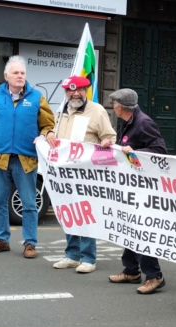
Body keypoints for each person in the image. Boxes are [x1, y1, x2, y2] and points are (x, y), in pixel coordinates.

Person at [0, 55, 55, 259]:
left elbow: (48, 124)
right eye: (16, 73)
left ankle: (30, 243)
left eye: (22, 73)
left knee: (29, 203)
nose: (20, 76)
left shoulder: (37, 97)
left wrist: (46, 134)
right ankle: (2, 240)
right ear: (6, 76)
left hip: (26, 158)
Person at [104, 88, 167, 294]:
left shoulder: (143, 122)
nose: (113, 107)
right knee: (129, 227)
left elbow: (160, 151)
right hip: (131, 185)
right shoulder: (129, 122)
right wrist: (110, 146)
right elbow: (124, 148)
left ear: (121, 106)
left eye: (114, 104)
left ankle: (154, 275)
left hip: (143, 187)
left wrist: (136, 152)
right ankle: (131, 270)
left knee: (140, 230)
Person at [51, 75, 116, 273]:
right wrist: (48, 135)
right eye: (71, 90)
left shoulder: (97, 111)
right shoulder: (60, 111)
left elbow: (109, 136)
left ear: (86, 90)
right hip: (64, 174)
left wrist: (107, 142)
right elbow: (53, 134)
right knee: (68, 213)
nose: (75, 93)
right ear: (66, 92)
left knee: (85, 214)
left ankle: (88, 257)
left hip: (87, 176)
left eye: (80, 89)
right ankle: (72, 255)